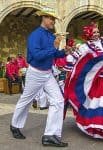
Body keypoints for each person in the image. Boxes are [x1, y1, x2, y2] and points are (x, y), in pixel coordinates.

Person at [10, 8, 70, 147]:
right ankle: (15, 125)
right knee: (26, 100)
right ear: (43, 18)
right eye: (51, 19)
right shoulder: (35, 35)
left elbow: (53, 55)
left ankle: (50, 135)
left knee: (58, 100)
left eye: (54, 19)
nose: (53, 22)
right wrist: (54, 47)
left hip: (47, 73)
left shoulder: (50, 36)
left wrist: (63, 52)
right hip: (35, 72)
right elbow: (36, 56)